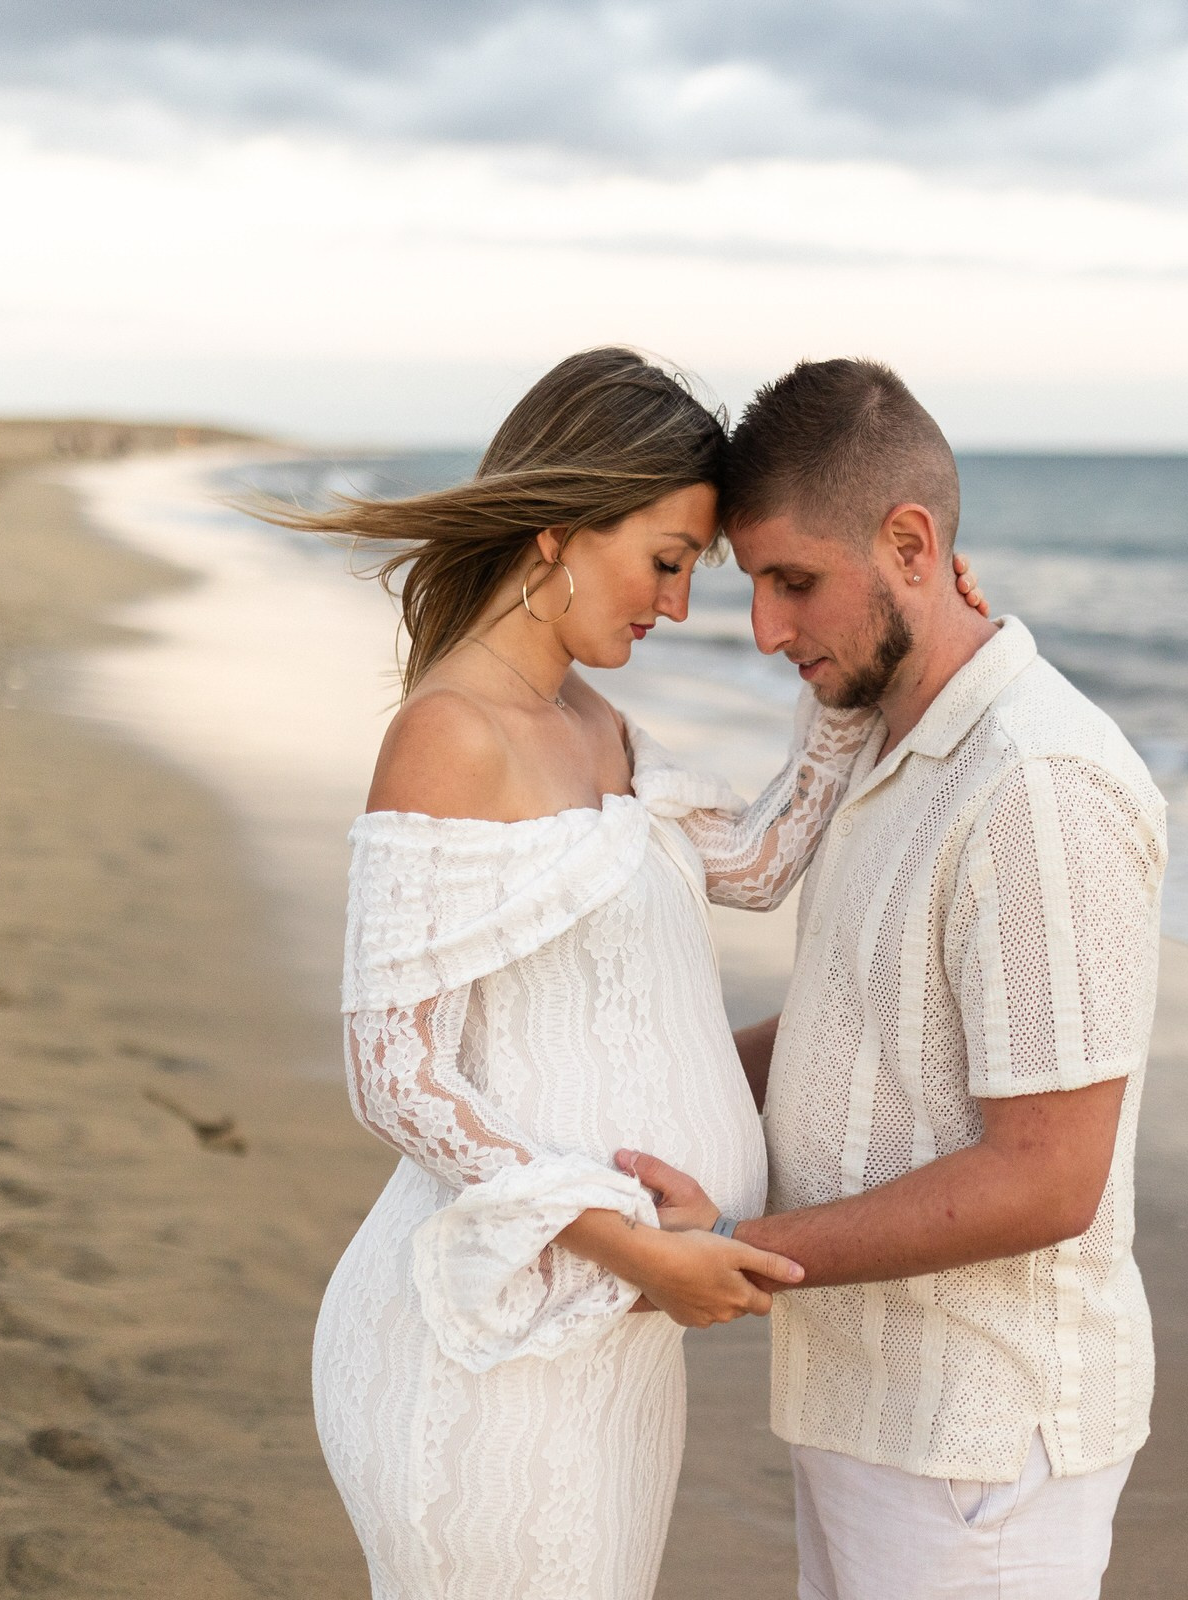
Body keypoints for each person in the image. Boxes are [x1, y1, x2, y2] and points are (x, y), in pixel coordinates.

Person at [280, 347, 985, 1600]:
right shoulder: (450, 735)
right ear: (557, 531)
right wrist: (632, 1249)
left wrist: (862, 662)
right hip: (485, 1340)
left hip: (605, 1351)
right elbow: (393, 1078)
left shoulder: (594, 724)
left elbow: (762, 860)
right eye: (664, 561)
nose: (677, 608)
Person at [622, 358, 1168, 1600]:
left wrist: (741, 1250)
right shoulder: (891, 737)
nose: (765, 629)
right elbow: (846, 1031)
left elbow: (1050, 1173)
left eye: (793, 582)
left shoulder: (1034, 787)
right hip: (878, 1409)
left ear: (912, 543)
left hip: (980, 1441)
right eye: (752, 581)